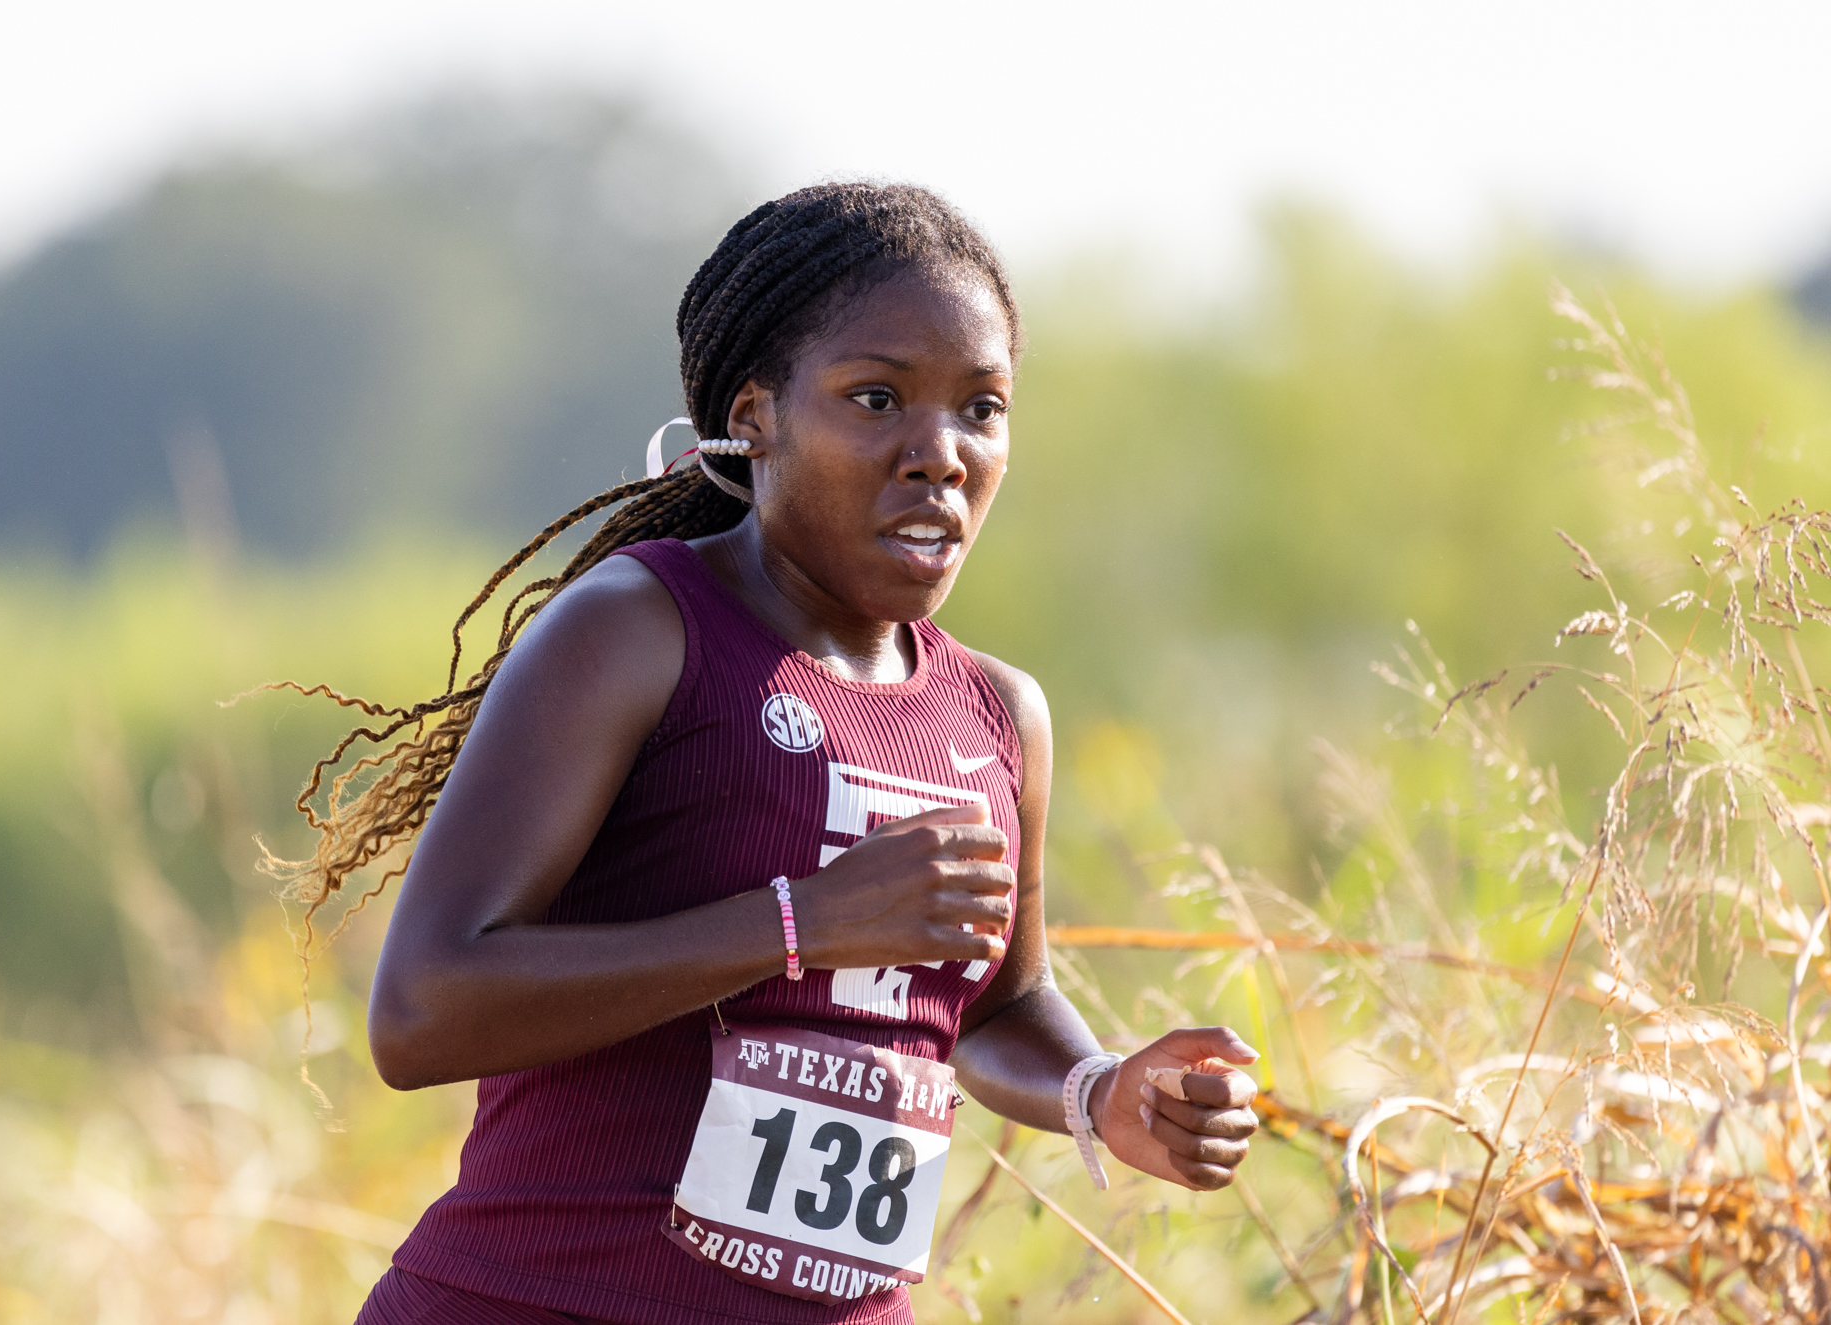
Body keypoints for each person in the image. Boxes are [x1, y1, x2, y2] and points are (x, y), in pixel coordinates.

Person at [277, 184, 1260, 1325]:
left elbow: (990, 1010)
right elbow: (422, 1010)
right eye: (876, 397)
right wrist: (800, 922)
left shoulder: (997, 714)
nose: (936, 453)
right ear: (755, 416)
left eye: (979, 409)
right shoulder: (638, 633)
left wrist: (1098, 1089)